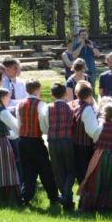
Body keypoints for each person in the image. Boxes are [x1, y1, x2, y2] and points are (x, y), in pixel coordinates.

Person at [15, 80, 60, 206]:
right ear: (37, 90)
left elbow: (19, 123)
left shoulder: (20, 104)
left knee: (28, 171)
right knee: (45, 170)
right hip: (35, 141)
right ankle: (53, 196)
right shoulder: (41, 105)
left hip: (22, 141)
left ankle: (26, 197)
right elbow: (44, 125)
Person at [78, 100, 112, 212]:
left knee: (96, 179)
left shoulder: (100, 127)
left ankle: (93, 203)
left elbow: (95, 139)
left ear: (104, 114)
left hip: (99, 156)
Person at [47, 82, 76, 211]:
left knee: (58, 169)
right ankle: (67, 195)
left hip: (53, 140)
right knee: (70, 169)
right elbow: (72, 124)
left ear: (52, 95)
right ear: (65, 94)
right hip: (67, 140)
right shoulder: (70, 108)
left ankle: (65, 196)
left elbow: (45, 124)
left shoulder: (47, 108)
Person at [70, 81, 98, 197]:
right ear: (90, 95)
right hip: (85, 147)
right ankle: (86, 201)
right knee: (86, 175)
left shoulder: (76, 105)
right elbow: (92, 131)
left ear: (77, 94)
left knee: (82, 175)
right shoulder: (87, 109)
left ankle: (84, 200)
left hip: (77, 145)